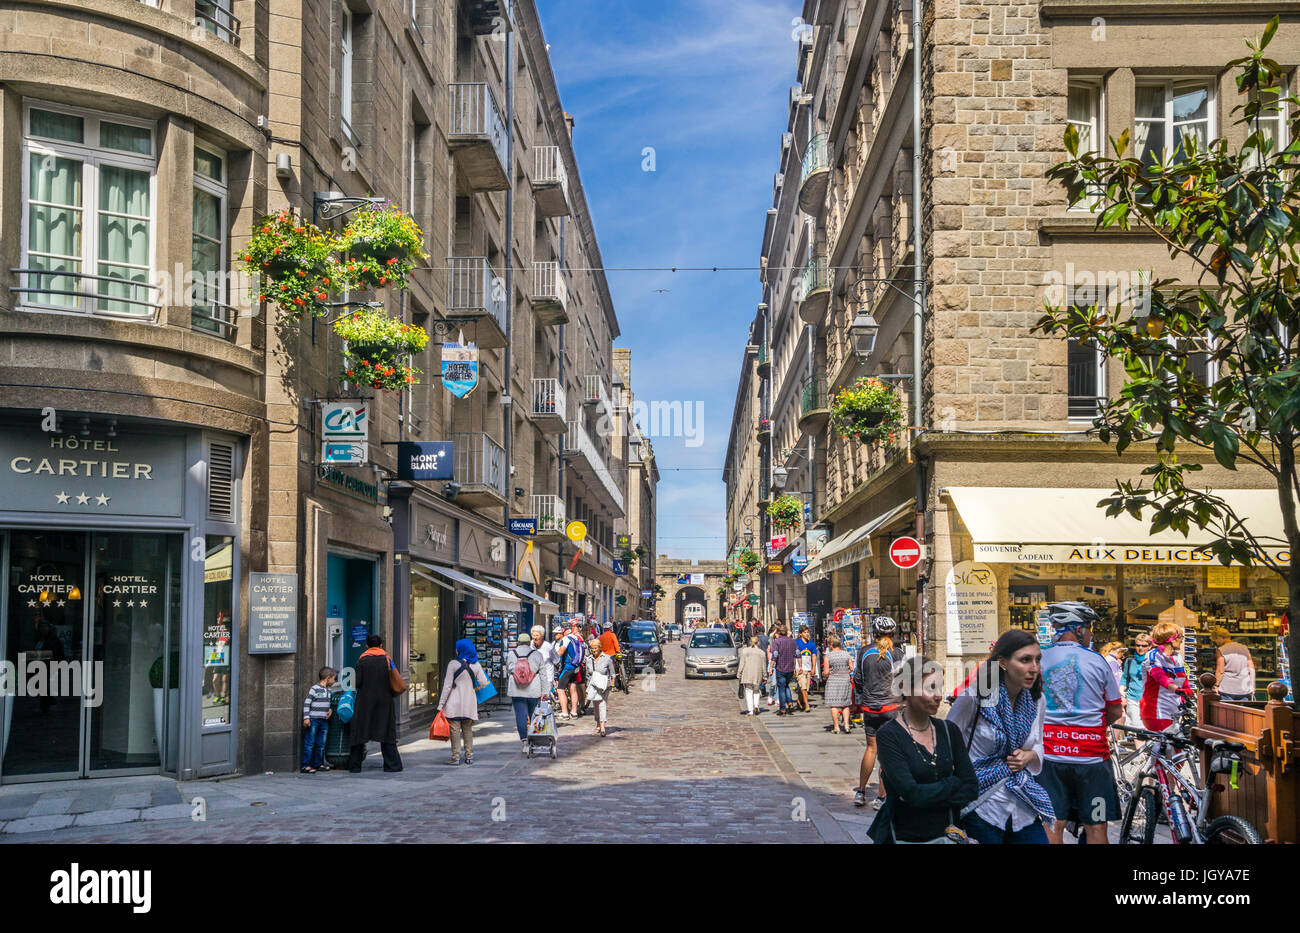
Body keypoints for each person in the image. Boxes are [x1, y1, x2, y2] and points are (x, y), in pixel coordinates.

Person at [948, 630, 1054, 844]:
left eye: (1037, 660)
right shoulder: (975, 697)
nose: (1034, 668)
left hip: (1022, 800)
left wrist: (1030, 756)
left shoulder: (1037, 700)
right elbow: (947, 743)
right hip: (981, 805)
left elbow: (1039, 744)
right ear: (1003, 663)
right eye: (1025, 660)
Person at [1038, 601, 1123, 844]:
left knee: (1053, 827)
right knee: (1096, 827)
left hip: (1051, 758)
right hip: (1092, 761)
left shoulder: (1040, 659)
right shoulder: (1098, 661)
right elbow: (1115, 710)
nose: (1090, 634)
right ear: (1078, 629)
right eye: (1089, 629)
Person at [868, 657, 978, 844]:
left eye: (940, 687)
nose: (938, 696)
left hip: (946, 837)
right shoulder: (889, 735)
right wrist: (952, 783)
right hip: (905, 837)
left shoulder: (949, 731)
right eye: (930, 687)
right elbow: (911, 793)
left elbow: (971, 788)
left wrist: (921, 795)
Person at [853, 616, 902, 809]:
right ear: (892, 634)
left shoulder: (864, 652)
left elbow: (858, 679)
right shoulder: (897, 653)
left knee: (871, 748)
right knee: (886, 753)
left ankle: (861, 792)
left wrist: (864, 693)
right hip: (890, 709)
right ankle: (881, 798)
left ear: (874, 634)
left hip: (870, 709)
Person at [348, 634, 403, 773]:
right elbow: (393, 677)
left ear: (366, 645)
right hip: (384, 700)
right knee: (387, 732)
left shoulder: (362, 660)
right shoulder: (386, 659)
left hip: (365, 700)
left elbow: (358, 682)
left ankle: (355, 766)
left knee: (360, 732)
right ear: (381, 645)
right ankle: (392, 765)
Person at [437, 638, 489, 765]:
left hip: (454, 702)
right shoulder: (476, 665)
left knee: (454, 730)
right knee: (467, 729)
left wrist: (441, 704)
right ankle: (469, 756)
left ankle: (455, 757)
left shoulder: (453, 664)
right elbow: (483, 682)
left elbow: (447, 686)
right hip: (469, 702)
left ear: (460, 650)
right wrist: (472, 687)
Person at [1139, 621, 1193, 731]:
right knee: (1170, 746)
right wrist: (1178, 690)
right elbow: (1160, 677)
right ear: (1171, 639)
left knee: (1176, 746)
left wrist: (1186, 694)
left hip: (1174, 712)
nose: (1182, 640)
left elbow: (1184, 682)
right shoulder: (1153, 656)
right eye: (1180, 637)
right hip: (1157, 711)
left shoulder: (1178, 657)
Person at [507, 630, 546, 754]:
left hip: (517, 690)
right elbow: (543, 674)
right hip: (533, 689)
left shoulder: (511, 654)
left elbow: (509, 670)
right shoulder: (536, 654)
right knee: (534, 714)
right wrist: (545, 691)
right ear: (529, 642)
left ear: (518, 642)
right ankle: (533, 740)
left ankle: (524, 741)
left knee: (520, 715)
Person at [300, 666, 336, 774]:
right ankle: (305, 765)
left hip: (324, 720)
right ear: (328, 678)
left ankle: (318, 764)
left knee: (321, 744)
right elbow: (307, 703)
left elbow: (326, 704)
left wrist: (329, 710)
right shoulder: (314, 688)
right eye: (334, 678)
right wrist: (306, 718)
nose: (334, 681)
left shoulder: (328, 691)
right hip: (314, 719)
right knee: (310, 743)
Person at [1213, 627, 1256, 702]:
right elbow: (1251, 668)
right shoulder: (1244, 648)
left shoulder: (1221, 650)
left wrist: (1216, 685)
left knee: (1228, 712)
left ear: (1220, 638)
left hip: (1227, 688)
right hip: (1243, 688)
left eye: (1215, 640)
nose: (1216, 642)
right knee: (1243, 712)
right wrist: (1252, 686)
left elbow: (1220, 671)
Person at [583, 636, 615, 737]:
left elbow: (612, 673)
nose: (594, 650)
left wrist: (612, 684)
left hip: (604, 685)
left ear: (600, 648)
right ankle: (597, 722)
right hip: (593, 685)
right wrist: (587, 687)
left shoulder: (607, 659)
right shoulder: (589, 659)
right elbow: (588, 674)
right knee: (596, 705)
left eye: (596, 648)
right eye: (592, 648)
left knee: (602, 704)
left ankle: (602, 726)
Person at [822, 635, 853, 733]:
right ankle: (847, 726)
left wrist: (824, 673)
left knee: (834, 705)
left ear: (831, 645)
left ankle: (836, 727)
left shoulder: (828, 656)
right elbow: (852, 668)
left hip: (833, 682)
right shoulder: (846, 654)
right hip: (845, 681)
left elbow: (826, 672)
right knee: (845, 704)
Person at [1120, 632, 1151, 726]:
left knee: (1147, 727)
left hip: (1148, 699)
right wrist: (1121, 691)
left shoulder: (1153, 661)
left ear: (1149, 646)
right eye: (1138, 645)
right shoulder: (1130, 661)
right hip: (1132, 697)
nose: (1140, 648)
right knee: (1135, 726)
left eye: (1144, 645)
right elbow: (1124, 678)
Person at [555, 623, 586, 720]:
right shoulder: (577, 638)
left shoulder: (566, 639)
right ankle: (574, 712)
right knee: (572, 688)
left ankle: (564, 713)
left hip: (567, 667)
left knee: (560, 689)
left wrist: (551, 659)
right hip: (575, 666)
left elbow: (561, 652)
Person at [737, 635, 767, 716]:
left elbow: (742, 663)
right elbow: (764, 666)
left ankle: (750, 710)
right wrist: (765, 676)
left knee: (748, 691)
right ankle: (756, 705)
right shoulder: (762, 653)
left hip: (747, 674)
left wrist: (739, 673)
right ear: (758, 643)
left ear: (750, 642)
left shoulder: (745, 651)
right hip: (757, 674)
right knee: (756, 691)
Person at [772, 624, 798, 715]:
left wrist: (771, 667)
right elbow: (797, 654)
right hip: (790, 668)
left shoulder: (777, 642)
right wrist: (799, 666)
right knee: (786, 685)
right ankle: (790, 703)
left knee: (781, 688)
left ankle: (782, 709)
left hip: (781, 667)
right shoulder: (793, 641)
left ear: (779, 632)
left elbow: (775, 655)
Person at [795, 624, 818, 712]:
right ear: (800, 634)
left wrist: (813, 668)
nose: (807, 634)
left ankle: (798, 701)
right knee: (803, 687)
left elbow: (814, 656)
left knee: (805, 688)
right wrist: (794, 667)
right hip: (800, 668)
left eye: (807, 632)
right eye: (805, 632)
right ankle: (807, 705)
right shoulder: (797, 643)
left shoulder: (811, 644)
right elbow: (794, 655)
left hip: (808, 667)